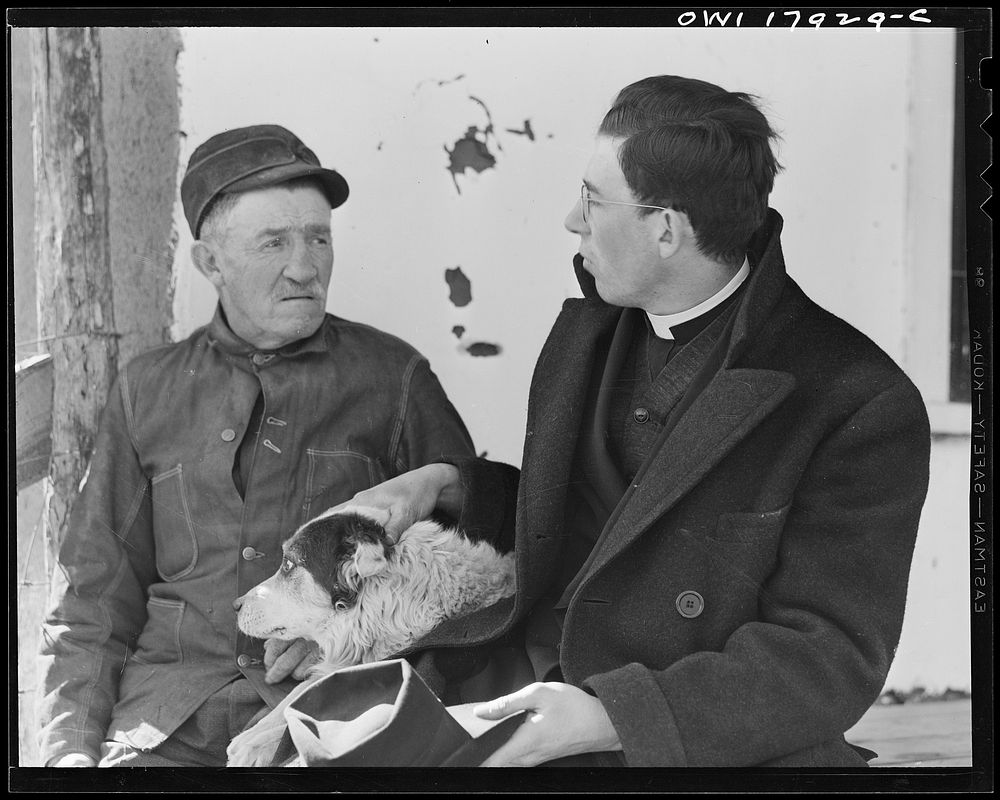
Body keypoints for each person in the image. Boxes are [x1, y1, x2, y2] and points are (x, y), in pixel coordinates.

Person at [344, 75, 932, 767]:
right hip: (525, 683)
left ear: (666, 229)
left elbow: (827, 659)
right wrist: (445, 486)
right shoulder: (589, 332)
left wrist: (611, 719)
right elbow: (593, 522)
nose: (572, 219)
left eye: (593, 200)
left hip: (684, 742)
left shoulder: (857, 399)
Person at [36, 124, 478, 767]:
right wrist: (68, 753)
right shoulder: (147, 390)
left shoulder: (393, 378)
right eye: (274, 242)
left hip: (334, 723)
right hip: (164, 729)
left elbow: (473, 570)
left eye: (318, 238)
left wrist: (356, 643)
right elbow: (92, 599)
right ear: (211, 263)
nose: (305, 266)